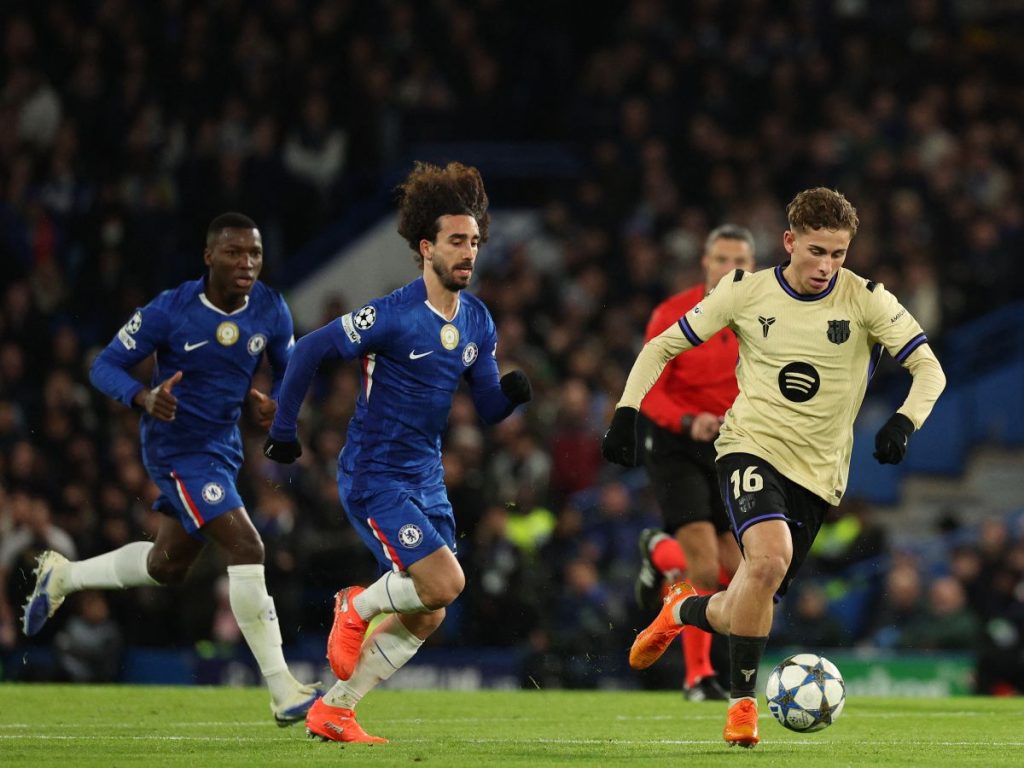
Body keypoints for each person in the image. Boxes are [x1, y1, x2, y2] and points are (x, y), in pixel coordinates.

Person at [602, 188, 946, 748]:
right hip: (750, 446)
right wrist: (626, 411)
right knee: (768, 559)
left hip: (819, 475)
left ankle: (680, 609)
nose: (827, 266)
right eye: (817, 251)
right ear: (789, 242)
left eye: (838, 253)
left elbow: (930, 369)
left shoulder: (868, 300)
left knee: (749, 593)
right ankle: (742, 707)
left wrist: (904, 422)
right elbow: (662, 346)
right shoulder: (745, 291)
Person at [263, 161, 531, 744]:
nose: (469, 253)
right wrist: (284, 430)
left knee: (431, 608)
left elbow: (487, 405)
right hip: (375, 474)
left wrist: (511, 396)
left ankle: (336, 708)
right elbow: (308, 350)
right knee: (446, 582)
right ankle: (355, 605)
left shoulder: (477, 320)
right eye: (456, 241)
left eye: (475, 242)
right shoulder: (392, 315)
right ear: (426, 248)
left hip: (425, 477)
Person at [21, 212, 322, 724]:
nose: (246, 263)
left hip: (223, 449)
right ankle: (282, 689)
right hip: (177, 448)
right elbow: (103, 365)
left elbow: (288, 367)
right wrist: (143, 396)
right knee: (247, 546)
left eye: (254, 253)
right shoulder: (171, 309)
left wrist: (275, 403)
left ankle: (64, 575)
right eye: (234, 252)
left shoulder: (271, 308)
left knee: (168, 565)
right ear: (209, 256)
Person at [634, 224, 754, 702]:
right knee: (703, 568)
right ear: (705, 262)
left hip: (728, 445)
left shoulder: (762, 318)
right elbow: (649, 386)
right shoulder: (673, 313)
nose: (730, 269)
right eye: (722, 259)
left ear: (752, 267)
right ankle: (698, 678)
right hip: (674, 443)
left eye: (739, 262)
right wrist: (688, 421)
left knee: (739, 573)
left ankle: (659, 551)